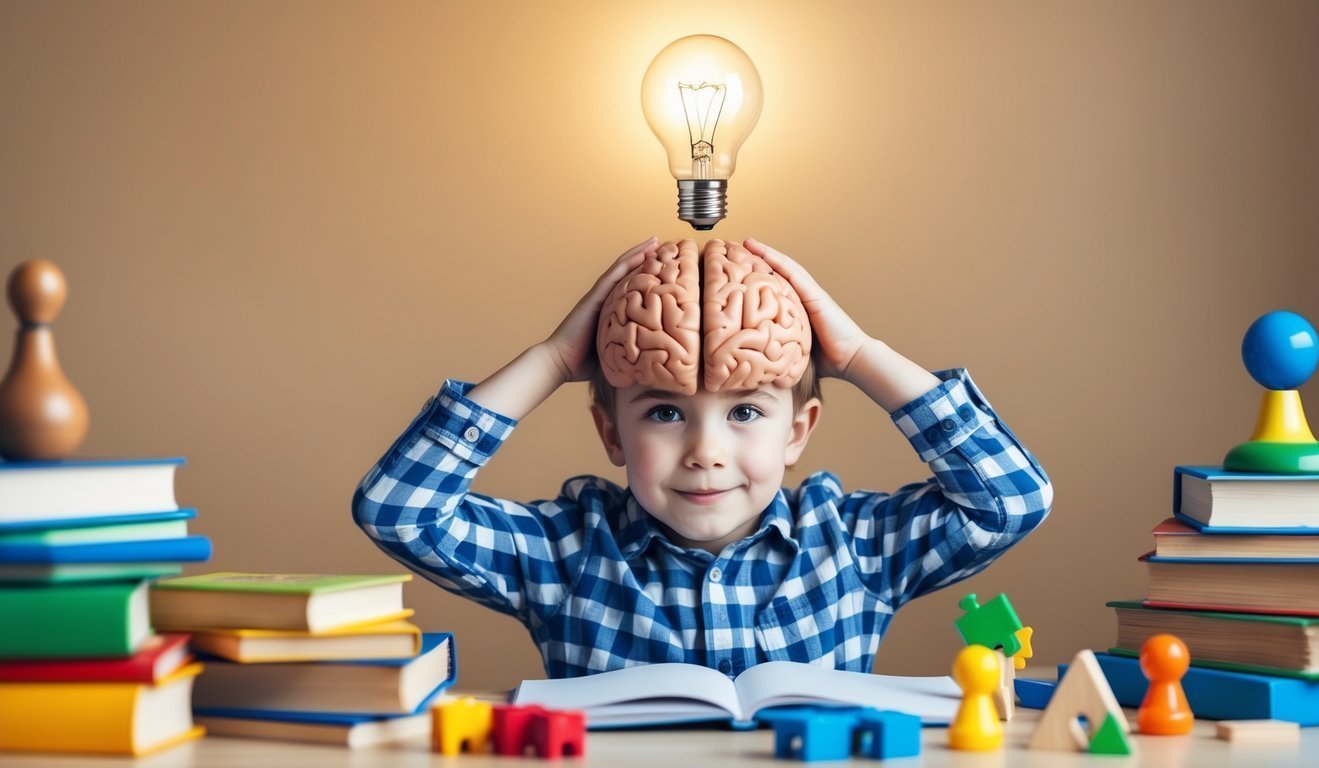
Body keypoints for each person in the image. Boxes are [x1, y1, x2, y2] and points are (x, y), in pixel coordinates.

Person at [352, 236, 1052, 679]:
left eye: (746, 412)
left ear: (798, 432)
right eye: (663, 413)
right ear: (611, 436)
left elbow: (1010, 500)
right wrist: (551, 359)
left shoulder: (853, 546)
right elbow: (396, 512)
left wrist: (862, 357)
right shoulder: (567, 553)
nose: (705, 453)